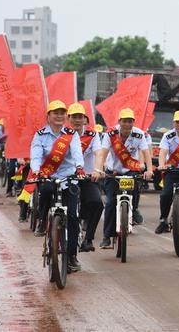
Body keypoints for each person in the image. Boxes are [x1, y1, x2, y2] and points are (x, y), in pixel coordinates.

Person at [28, 100, 85, 272]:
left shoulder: (71, 134)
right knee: (45, 190)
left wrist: (80, 168)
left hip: (69, 179)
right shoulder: (39, 135)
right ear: (49, 116)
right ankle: (42, 219)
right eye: (55, 112)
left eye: (62, 112)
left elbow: (76, 152)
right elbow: (36, 155)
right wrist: (37, 170)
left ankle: (72, 255)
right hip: (49, 176)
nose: (59, 115)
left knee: (74, 218)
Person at [92, 108, 154, 249]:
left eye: (130, 121)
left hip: (131, 170)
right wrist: (99, 169)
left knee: (136, 186)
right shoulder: (111, 133)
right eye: (125, 121)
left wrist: (149, 170)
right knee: (110, 203)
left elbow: (145, 152)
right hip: (113, 172)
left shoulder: (139, 134)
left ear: (133, 122)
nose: (127, 124)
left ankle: (134, 209)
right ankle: (107, 237)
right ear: (119, 121)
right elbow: (103, 153)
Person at [67, 103, 104, 252]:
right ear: (68, 118)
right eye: (74, 117)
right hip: (68, 177)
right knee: (67, 211)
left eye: (80, 117)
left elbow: (99, 153)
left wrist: (97, 170)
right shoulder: (63, 134)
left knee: (97, 203)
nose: (77, 120)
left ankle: (88, 239)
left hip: (88, 176)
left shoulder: (92, 135)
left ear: (85, 119)